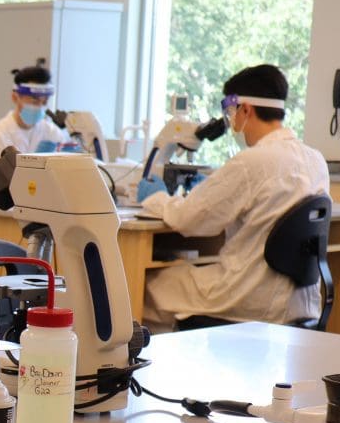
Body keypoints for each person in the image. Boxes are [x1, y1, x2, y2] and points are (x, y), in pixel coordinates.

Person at [137, 64, 329, 330]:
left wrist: (156, 196)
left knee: (142, 285)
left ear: (245, 109)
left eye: (231, 113)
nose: (231, 121)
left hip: (248, 300)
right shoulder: (315, 159)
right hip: (301, 303)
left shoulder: (251, 161)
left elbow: (189, 220)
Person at [0, 64, 67, 159]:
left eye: (45, 101)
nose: (40, 106)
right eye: (34, 100)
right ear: (15, 97)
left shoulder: (53, 134)